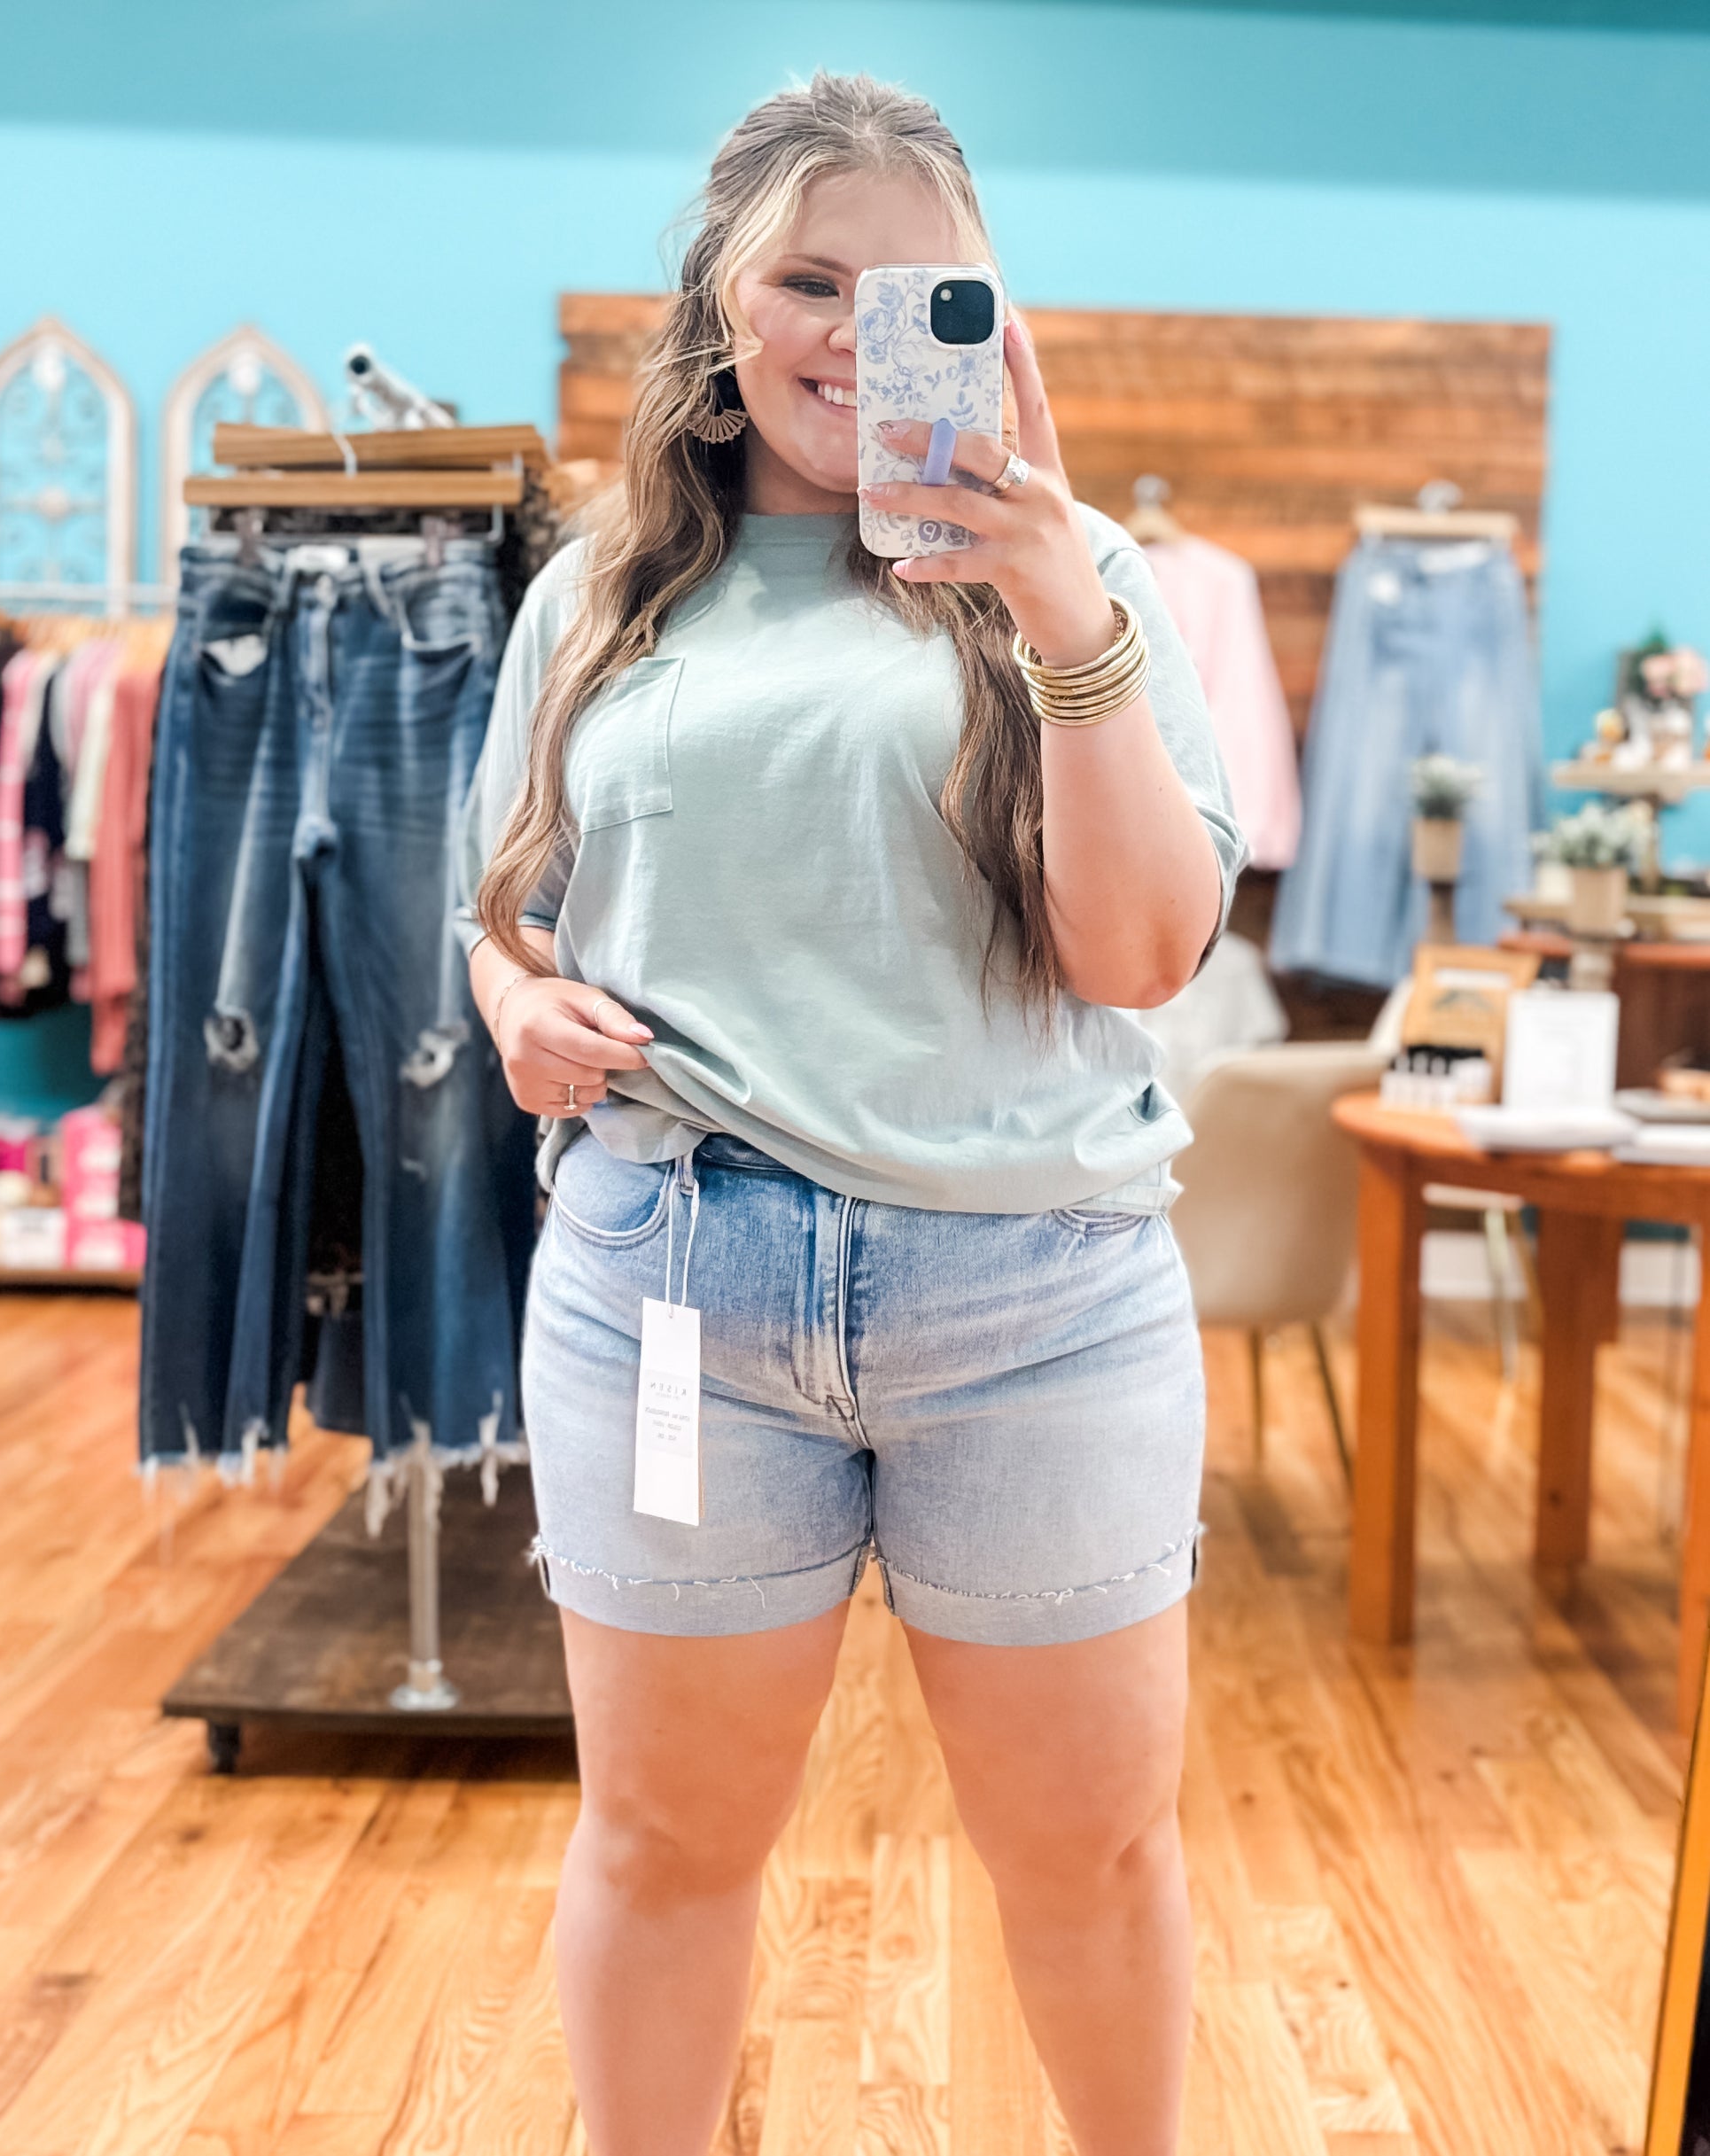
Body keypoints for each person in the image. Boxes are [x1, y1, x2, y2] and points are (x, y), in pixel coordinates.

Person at [455, 71, 1246, 2156]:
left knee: (1084, 1856)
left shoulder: (1091, 582)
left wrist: (1058, 609)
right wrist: (520, 1003)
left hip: (1039, 1303)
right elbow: (503, 916)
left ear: (987, 319)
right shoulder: (598, 590)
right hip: (675, 1295)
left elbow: (1144, 953)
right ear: (719, 299)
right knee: (656, 1843)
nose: (846, 330)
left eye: (919, 292)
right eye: (809, 276)